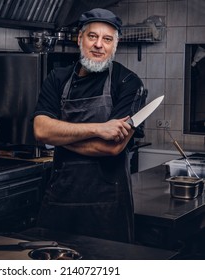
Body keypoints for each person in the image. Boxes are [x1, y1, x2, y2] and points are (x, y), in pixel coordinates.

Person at [32, 8, 147, 243]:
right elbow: (41, 130)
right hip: (60, 198)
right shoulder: (57, 78)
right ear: (79, 39)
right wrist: (98, 129)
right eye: (92, 36)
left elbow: (112, 148)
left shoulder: (127, 82)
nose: (98, 45)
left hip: (108, 206)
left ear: (116, 44)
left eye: (107, 39)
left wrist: (59, 138)